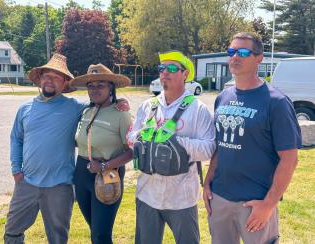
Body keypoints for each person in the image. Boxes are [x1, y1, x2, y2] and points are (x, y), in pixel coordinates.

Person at [4, 54, 128, 244]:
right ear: (39, 79)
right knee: (12, 230)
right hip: (27, 182)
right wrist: (16, 170)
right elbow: (16, 139)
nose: (49, 81)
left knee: (58, 237)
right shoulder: (25, 108)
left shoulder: (75, 107)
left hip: (60, 185)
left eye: (56, 77)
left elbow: (101, 104)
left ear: (64, 84)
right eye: (46, 75)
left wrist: (121, 102)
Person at [203, 32, 302, 244]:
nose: (235, 57)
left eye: (243, 52)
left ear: (259, 58)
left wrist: (268, 204)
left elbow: (290, 159)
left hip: (255, 202)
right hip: (220, 198)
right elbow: (221, 145)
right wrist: (208, 182)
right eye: (231, 51)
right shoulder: (223, 97)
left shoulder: (276, 102)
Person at [128, 51, 216, 244]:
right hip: (147, 194)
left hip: (181, 198)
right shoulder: (147, 106)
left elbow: (209, 148)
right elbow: (131, 137)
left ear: (185, 74)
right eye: (162, 68)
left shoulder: (197, 109)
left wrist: (176, 142)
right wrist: (141, 137)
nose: (165, 73)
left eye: (173, 68)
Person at [70, 64, 133, 244]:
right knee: (94, 230)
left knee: (101, 234)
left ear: (111, 87)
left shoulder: (121, 114)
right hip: (82, 173)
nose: (94, 89)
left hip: (108, 173)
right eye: (90, 85)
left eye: (101, 85)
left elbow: (132, 151)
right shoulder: (86, 111)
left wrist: (105, 165)